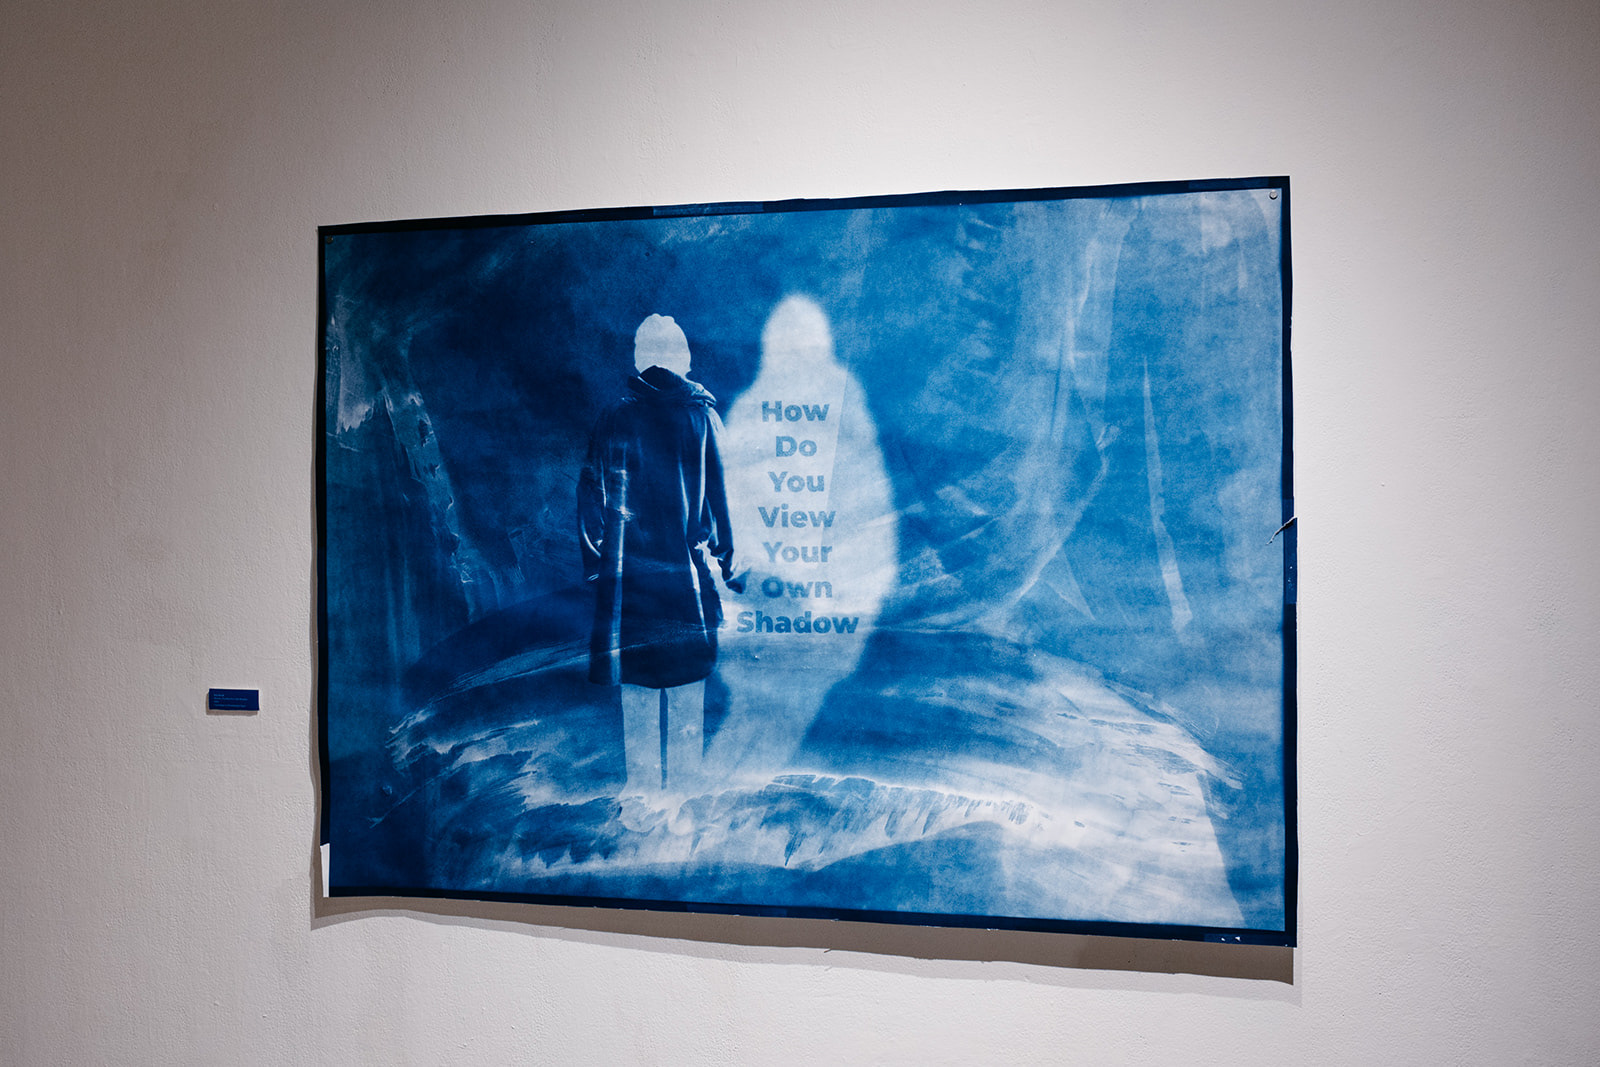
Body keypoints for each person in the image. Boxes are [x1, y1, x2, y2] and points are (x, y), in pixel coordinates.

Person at [578, 314, 742, 793]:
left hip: (628, 586)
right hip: (685, 583)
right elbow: (725, 501)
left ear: (639, 358)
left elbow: (590, 496)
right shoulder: (703, 418)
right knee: (687, 694)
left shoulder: (614, 418)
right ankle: (683, 798)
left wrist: (597, 567)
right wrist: (730, 563)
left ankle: (641, 799)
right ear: (684, 358)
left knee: (638, 695)